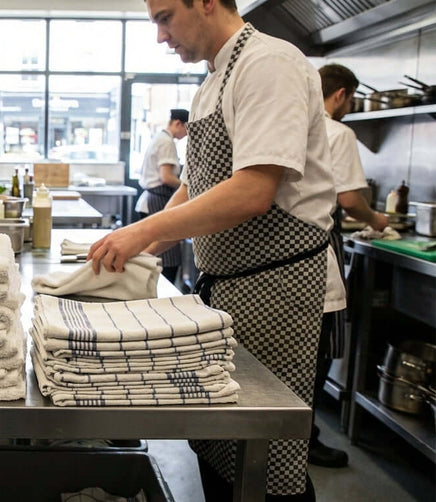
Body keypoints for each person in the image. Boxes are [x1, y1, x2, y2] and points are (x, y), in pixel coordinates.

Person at [88, 0, 337, 499]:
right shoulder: (211, 82)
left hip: (276, 289)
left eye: (164, 18)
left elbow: (252, 190)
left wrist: (138, 234)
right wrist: (143, 243)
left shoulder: (269, 64)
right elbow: (198, 186)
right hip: (228, 286)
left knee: (265, 460)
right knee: (220, 443)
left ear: (205, 2)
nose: (160, 36)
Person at [309, 64, 389, 469]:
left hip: (289, 246)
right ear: (341, 94)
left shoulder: (299, 123)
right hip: (320, 245)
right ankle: (304, 438)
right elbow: (349, 199)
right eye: (352, 98)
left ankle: (299, 433)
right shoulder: (340, 133)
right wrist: (377, 220)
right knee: (322, 345)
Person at [135, 108, 189, 284]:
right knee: (166, 260)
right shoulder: (167, 142)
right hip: (158, 200)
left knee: (154, 255)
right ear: (177, 123)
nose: (186, 133)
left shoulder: (159, 138)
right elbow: (166, 177)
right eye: (186, 128)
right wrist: (187, 186)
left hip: (150, 199)